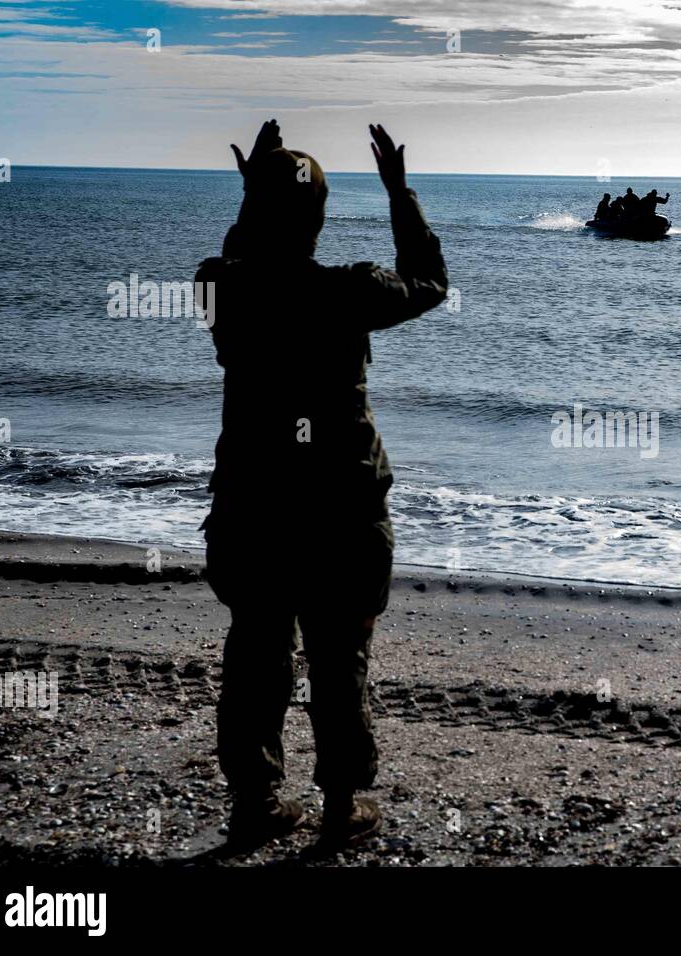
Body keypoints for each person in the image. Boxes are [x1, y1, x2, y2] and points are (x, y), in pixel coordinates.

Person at [194, 119, 448, 852]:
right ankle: (341, 805)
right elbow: (430, 282)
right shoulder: (353, 290)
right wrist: (399, 192)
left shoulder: (219, 285)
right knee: (340, 661)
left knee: (255, 654)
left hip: (253, 506)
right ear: (321, 218)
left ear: (258, 212)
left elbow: (242, 257)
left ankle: (254, 803)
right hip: (341, 508)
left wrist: (255, 193)